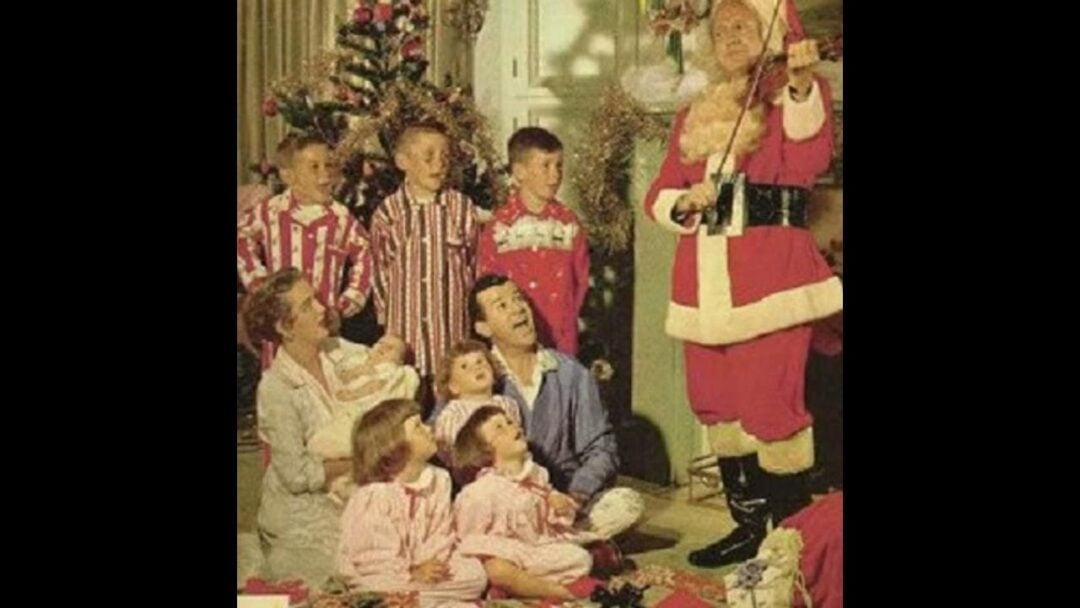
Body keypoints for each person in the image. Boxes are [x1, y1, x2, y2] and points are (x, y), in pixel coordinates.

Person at [642, 0, 842, 568]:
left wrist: (801, 85)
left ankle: (793, 542)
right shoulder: (696, 111)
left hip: (770, 284)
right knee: (718, 407)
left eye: (742, 26)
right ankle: (750, 527)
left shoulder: (791, 96)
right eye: (721, 27)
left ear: (771, 34)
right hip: (701, 285)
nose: (729, 35)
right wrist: (682, 201)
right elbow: (660, 190)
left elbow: (810, 155)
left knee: (772, 411)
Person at [467, 274, 644, 540]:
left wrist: (576, 494)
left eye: (519, 299)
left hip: (565, 502)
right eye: (501, 305)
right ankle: (561, 548)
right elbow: (452, 444)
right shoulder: (474, 375)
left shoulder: (571, 373)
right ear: (483, 327)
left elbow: (601, 448)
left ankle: (548, 547)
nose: (517, 308)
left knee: (628, 504)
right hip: (505, 505)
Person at [241, 268, 354, 587]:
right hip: (306, 514)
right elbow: (297, 475)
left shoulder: (340, 352)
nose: (321, 309)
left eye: (316, 299)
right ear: (284, 327)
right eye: (307, 305)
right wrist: (359, 461)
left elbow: (385, 377)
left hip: (355, 492)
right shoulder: (276, 388)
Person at [237, 133, 373, 368]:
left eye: (328, 165)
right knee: (282, 389)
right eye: (314, 167)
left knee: (324, 387)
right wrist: (259, 285)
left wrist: (346, 304)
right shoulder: (270, 211)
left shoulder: (341, 218)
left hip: (324, 330)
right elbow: (242, 240)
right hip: (283, 328)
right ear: (288, 175)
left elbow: (366, 256)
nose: (325, 174)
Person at [336, 399, 488, 607]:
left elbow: (441, 534)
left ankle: (419, 600)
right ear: (394, 444)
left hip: (425, 574)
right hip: (382, 574)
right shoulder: (375, 495)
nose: (428, 428)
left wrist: (432, 566)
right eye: (418, 426)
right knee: (378, 588)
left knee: (475, 574)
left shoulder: (439, 479)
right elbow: (373, 558)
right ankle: (420, 600)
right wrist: (412, 571)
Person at [370, 122, 479, 410]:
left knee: (452, 409)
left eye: (444, 157)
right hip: (406, 339)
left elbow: (472, 263)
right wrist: (386, 322)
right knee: (410, 412)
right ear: (403, 161)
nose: (438, 165)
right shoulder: (388, 212)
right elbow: (380, 269)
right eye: (428, 157)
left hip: (450, 335)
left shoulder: (461, 208)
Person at [453, 406, 595, 601]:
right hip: (503, 556)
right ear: (486, 448)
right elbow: (468, 540)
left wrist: (557, 505)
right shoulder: (480, 492)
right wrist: (500, 550)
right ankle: (553, 590)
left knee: (580, 558)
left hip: (535, 550)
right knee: (496, 569)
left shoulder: (537, 474)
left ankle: (518, 586)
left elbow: (546, 525)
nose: (512, 428)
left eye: (510, 422)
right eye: (500, 428)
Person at [476, 127, 589, 355]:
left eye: (559, 166)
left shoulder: (568, 223)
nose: (555, 175)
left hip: (561, 339)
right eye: (545, 166)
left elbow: (581, 280)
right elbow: (489, 284)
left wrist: (568, 320)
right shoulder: (500, 226)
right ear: (520, 171)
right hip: (514, 342)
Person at [429, 339, 522, 472]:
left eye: (480, 361)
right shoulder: (453, 412)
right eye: (464, 366)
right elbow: (449, 452)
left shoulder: (508, 404)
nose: (477, 367)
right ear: (453, 386)